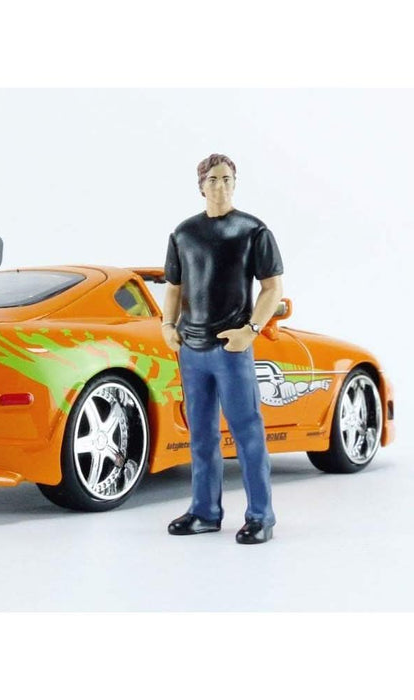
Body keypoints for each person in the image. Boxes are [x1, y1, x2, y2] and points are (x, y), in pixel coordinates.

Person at [162, 154, 284, 544]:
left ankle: (261, 516)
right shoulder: (184, 234)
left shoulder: (253, 230)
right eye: (213, 179)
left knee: (247, 432)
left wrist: (250, 330)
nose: (220, 185)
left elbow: (272, 288)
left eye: (227, 178)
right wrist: (167, 325)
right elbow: (174, 288)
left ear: (236, 182)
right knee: (200, 434)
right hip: (191, 347)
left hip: (231, 348)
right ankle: (204, 511)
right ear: (201, 186)